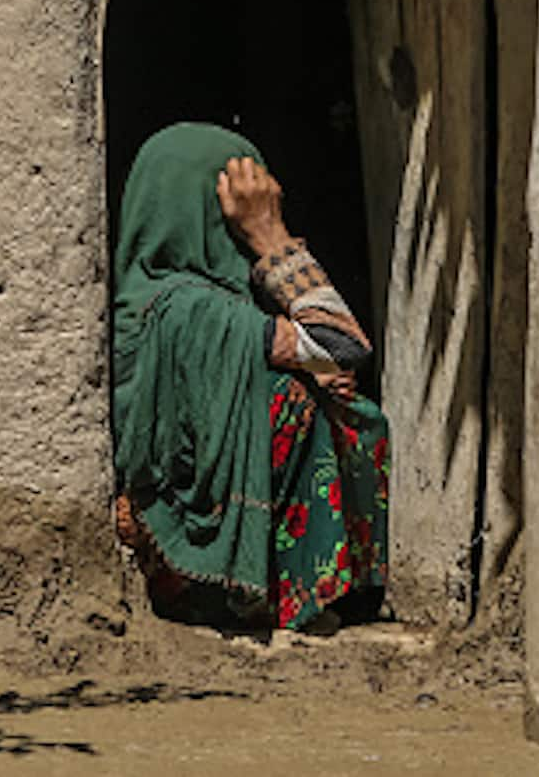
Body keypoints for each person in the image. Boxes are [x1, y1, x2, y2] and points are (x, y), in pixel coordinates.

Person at [110, 123, 390, 632]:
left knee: (334, 399)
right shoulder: (192, 310)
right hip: (183, 536)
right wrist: (270, 235)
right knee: (292, 398)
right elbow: (344, 346)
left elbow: (330, 362)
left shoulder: (150, 302)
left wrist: (317, 368)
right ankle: (257, 592)